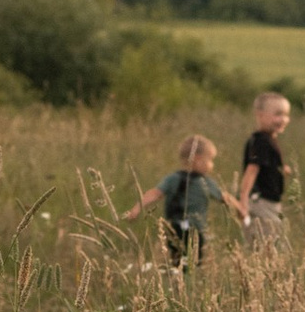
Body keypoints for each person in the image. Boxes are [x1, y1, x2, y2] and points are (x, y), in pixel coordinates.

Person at [125, 133, 222, 264]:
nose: (211, 165)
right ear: (198, 159)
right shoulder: (202, 182)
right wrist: (241, 209)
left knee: (181, 261)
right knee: (191, 261)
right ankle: (183, 280)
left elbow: (155, 193)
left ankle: (180, 279)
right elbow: (226, 198)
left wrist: (137, 208)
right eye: (210, 160)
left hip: (176, 228)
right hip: (192, 230)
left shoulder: (174, 178)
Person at [234, 93, 292, 236]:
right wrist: (243, 199)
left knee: (269, 239)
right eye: (278, 114)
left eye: (286, 115)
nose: (283, 119)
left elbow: (265, 165)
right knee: (269, 241)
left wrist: (280, 169)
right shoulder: (262, 141)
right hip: (262, 202)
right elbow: (252, 169)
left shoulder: (266, 140)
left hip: (268, 202)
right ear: (260, 115)